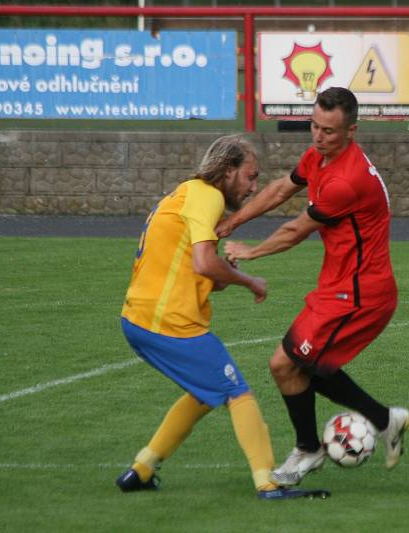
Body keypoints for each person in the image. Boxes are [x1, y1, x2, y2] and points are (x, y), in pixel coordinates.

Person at [218, 87, 409, 487]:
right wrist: (233, 220)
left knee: (291, 363)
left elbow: (296, 230)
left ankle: (310, 449)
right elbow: (278, 190)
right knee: (294, 365)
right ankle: (381, 420)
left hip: (362, 295)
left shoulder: (347, 179)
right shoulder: (319, 157)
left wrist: (250, 253)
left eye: (329, 131)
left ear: (352, 131)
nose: (318, 136)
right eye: (314, 126)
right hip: (338, 286)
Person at [115, 135, 327, 500]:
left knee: (204, 392)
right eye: (250, 176)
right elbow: (202, 262)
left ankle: (142, 469)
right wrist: (249, 280)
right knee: (235, 391)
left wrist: (221, 277)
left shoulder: (186, 194)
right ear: (228, 171)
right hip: (170, 322)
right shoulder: (207, 195)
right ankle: (268, 482)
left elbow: (193, 268)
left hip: (139, 318)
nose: (253, 187)